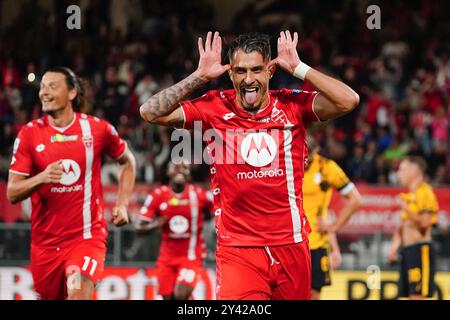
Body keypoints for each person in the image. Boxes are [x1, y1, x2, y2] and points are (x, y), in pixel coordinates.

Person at [140, 30, 359, 299]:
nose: (249, 79)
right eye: (240, 71)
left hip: (291, 245)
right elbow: (149, 111)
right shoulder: (214, 107)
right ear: (230, 74)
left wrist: (299, 68)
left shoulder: (291, 105)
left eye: (256, 69)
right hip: (238, 250)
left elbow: (348, 100)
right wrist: (199, 77)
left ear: (270, 70)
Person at [6, 67, 136, 300]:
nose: (44, 92)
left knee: (77, 294)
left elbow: (128, 161)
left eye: (52, 86)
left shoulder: (97, 129)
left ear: (72, 93)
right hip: (45, 245)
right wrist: (41, 178)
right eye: (42, 87)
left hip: (86, 237)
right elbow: (12, 192)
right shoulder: (29, 134)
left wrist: (122, 203)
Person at [135, 161, 213, 300]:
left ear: (189, 174)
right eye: (175, 167)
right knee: (168, 297)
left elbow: (219, 206)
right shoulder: (157, 195)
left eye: (184, 168)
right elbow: (139, 227)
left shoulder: (198, 194)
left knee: (180, 294)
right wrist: (155, 225)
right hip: (167, 258)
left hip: (191, 257)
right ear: (168, 172)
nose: (180, 170)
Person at [303, 135, 362, 299]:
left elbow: (355, 200)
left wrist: (333, 228)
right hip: (286, 241)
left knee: (313, 293)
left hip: (315, 243)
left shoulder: (326, 167)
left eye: (309, 156)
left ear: (317, 151)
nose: (305, 161)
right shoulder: (284, 163)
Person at [388, 156, 439, 300]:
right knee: (409, 296)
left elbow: (425, 222)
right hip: (408, 250)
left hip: (420, 249)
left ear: (415, 171)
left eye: (402, 169)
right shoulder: (410, 195)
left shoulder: (425, 192)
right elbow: (402, 226)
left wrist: (406, 208)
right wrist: (394, 246)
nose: (399, 174)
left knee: (418, 296)